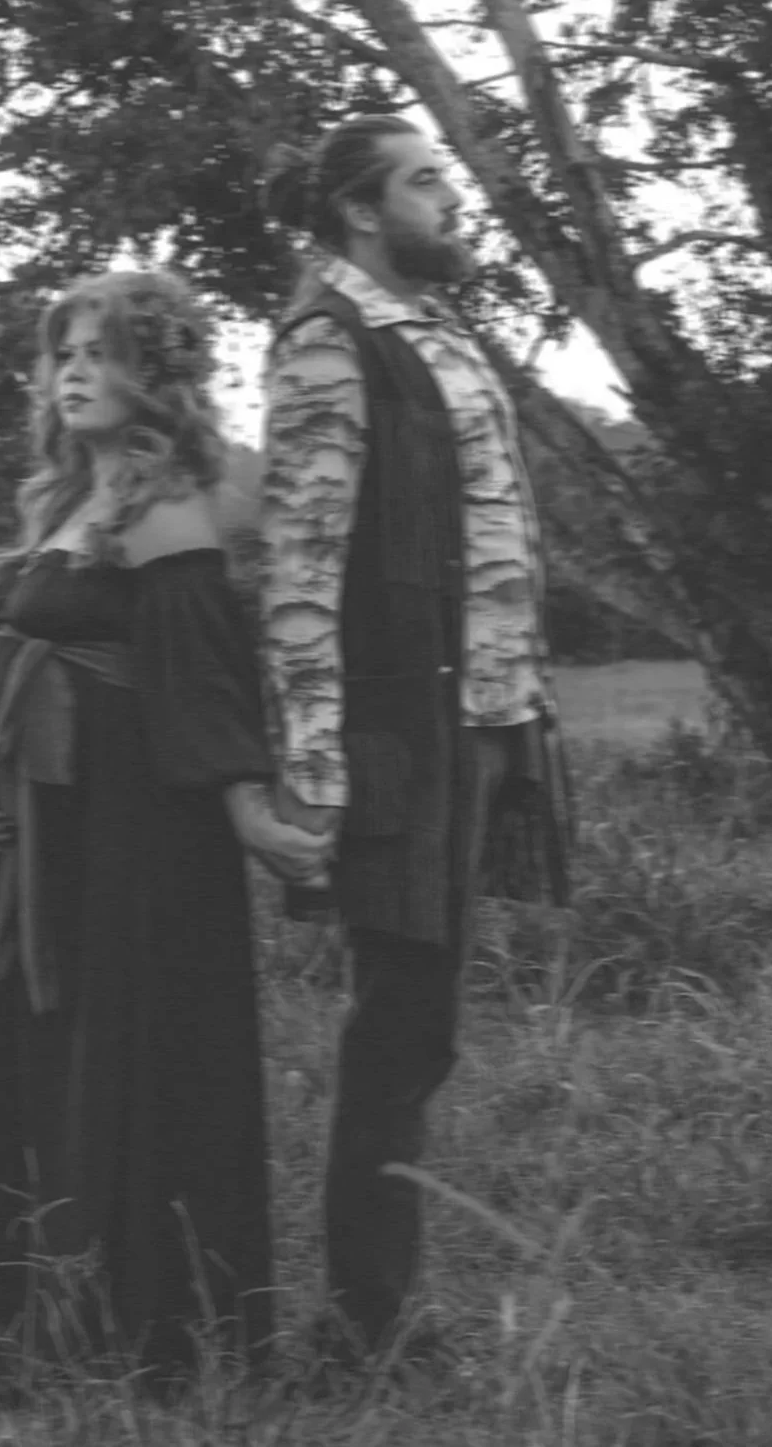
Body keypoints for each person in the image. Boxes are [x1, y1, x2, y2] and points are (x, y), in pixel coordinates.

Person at [0, 268, 330, 1390]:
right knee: (31, 1065)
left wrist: (249, 815)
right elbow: (13, 649)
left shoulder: (173, 502)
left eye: (105, 351)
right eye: (65, 352)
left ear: (160, 373)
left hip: (122, 845)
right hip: (27, 835)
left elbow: (202, 682)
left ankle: (127, 1328)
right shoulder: (63, 500)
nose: (76, 370)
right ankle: (11, 1294)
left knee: (116, 1063)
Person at [258, 115, 574, 1360]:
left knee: (419, 1022)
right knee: (397, 1027)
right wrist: (320, 768)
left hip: (485, 718)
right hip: (406, 734)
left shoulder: (429, 329)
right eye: (425, 181)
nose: (454, 200)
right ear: (356, 211)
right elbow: (299, 567)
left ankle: (374, 1307)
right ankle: (364, 1326)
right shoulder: (329, 346)